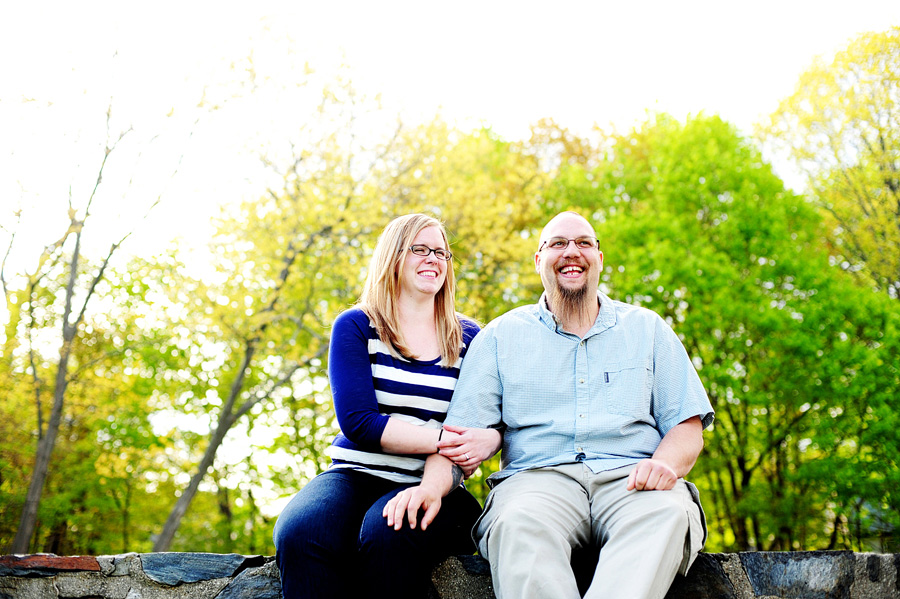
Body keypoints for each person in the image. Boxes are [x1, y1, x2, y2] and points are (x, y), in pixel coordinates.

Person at [385, 211, 715, 599]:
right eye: (558, 243)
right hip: (537, 481)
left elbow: (687, 424)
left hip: (635, 479)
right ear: (538, 261)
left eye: (583, 243)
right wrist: (430, 488)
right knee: (517, 523)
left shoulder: (648, 328)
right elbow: (460, 436)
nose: (571, 252)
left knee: (668, 513)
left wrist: (665, 465)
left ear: (599, 259)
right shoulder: (499, 337)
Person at [273, 213, 500, 599]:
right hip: (356, 473)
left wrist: (487, 439)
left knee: (388, 531)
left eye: (442, 253)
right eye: (420, 249)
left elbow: (492, 421)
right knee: (301, 533)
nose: (434, 259)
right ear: (393, 257)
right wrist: (449, 438)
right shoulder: (357, 325)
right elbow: (359, 423)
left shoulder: (471, 337)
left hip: (438, 485)